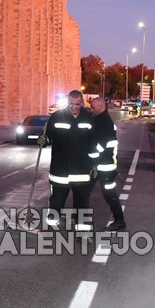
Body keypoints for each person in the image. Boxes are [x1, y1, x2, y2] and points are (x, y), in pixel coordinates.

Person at [37, 90, 96, 233]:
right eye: (71, 104)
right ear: (67, 102)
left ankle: (83, 231)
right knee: (56, 201)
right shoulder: (56, 117)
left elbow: (93, 143)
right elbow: (47, 135)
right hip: (60, 170)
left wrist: (94, 164)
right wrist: (43, 140)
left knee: (82, 203)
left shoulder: (88, 118)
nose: (73, 107)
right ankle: (51, 226)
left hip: (81, 170)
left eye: (77, 104)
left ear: (81, 103)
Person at [88, 97, 127, 231]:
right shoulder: (98, 119)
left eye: (93, 107)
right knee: (85, 190)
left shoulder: (105, 122)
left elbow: (102, 144)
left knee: (109, 194)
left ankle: (119, 221)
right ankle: (80, 218)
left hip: (105, 166)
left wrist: (91, 155)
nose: (91, 110)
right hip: (101, 164)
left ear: (101, 107)